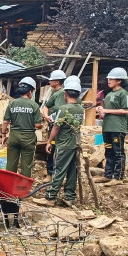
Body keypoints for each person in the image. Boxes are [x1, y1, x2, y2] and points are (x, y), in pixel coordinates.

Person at [34, 76, 84, 207]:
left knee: (58, 171)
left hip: (63, 144)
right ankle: (70, 197)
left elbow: (57, 126)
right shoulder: (80, 108)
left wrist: (50, 141)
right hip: (75, 144)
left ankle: (50, 197)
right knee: (72, 171)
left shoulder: (64, 108)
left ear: (66, 93)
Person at [94, 68, 128, 185]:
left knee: (118, 152)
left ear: (119, 80)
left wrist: (106, 110)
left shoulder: (123, 94)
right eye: (108, 78)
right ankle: (107, 175)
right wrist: (101, 111)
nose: (108, 80)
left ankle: (119, 177)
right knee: (108, 152)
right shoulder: (109, 94)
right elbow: (106, 113)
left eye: (111, 78)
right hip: (107, 128)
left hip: (117, 129)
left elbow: (125, 111)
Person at [1, 77, 42, 177]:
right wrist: (39, 125)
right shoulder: (34, 105)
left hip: (13, 137)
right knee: (26, 166)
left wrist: (3, 135)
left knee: (10, 164)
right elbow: (37, 125)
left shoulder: (12, 103)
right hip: (28, 138)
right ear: (30, 91)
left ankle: (8, 188)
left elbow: (5, 122)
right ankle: (24, 190)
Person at [40, 69, 67, 182]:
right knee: (51, 148)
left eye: (51, 80)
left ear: (57, 82)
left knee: (55, 148)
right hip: (53, 125)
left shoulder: (62, 93)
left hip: (60, 126)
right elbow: (46, 106)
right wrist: (46, 116)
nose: (49, 82)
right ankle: (50, 173)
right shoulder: (54, 94)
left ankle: (55, 174)